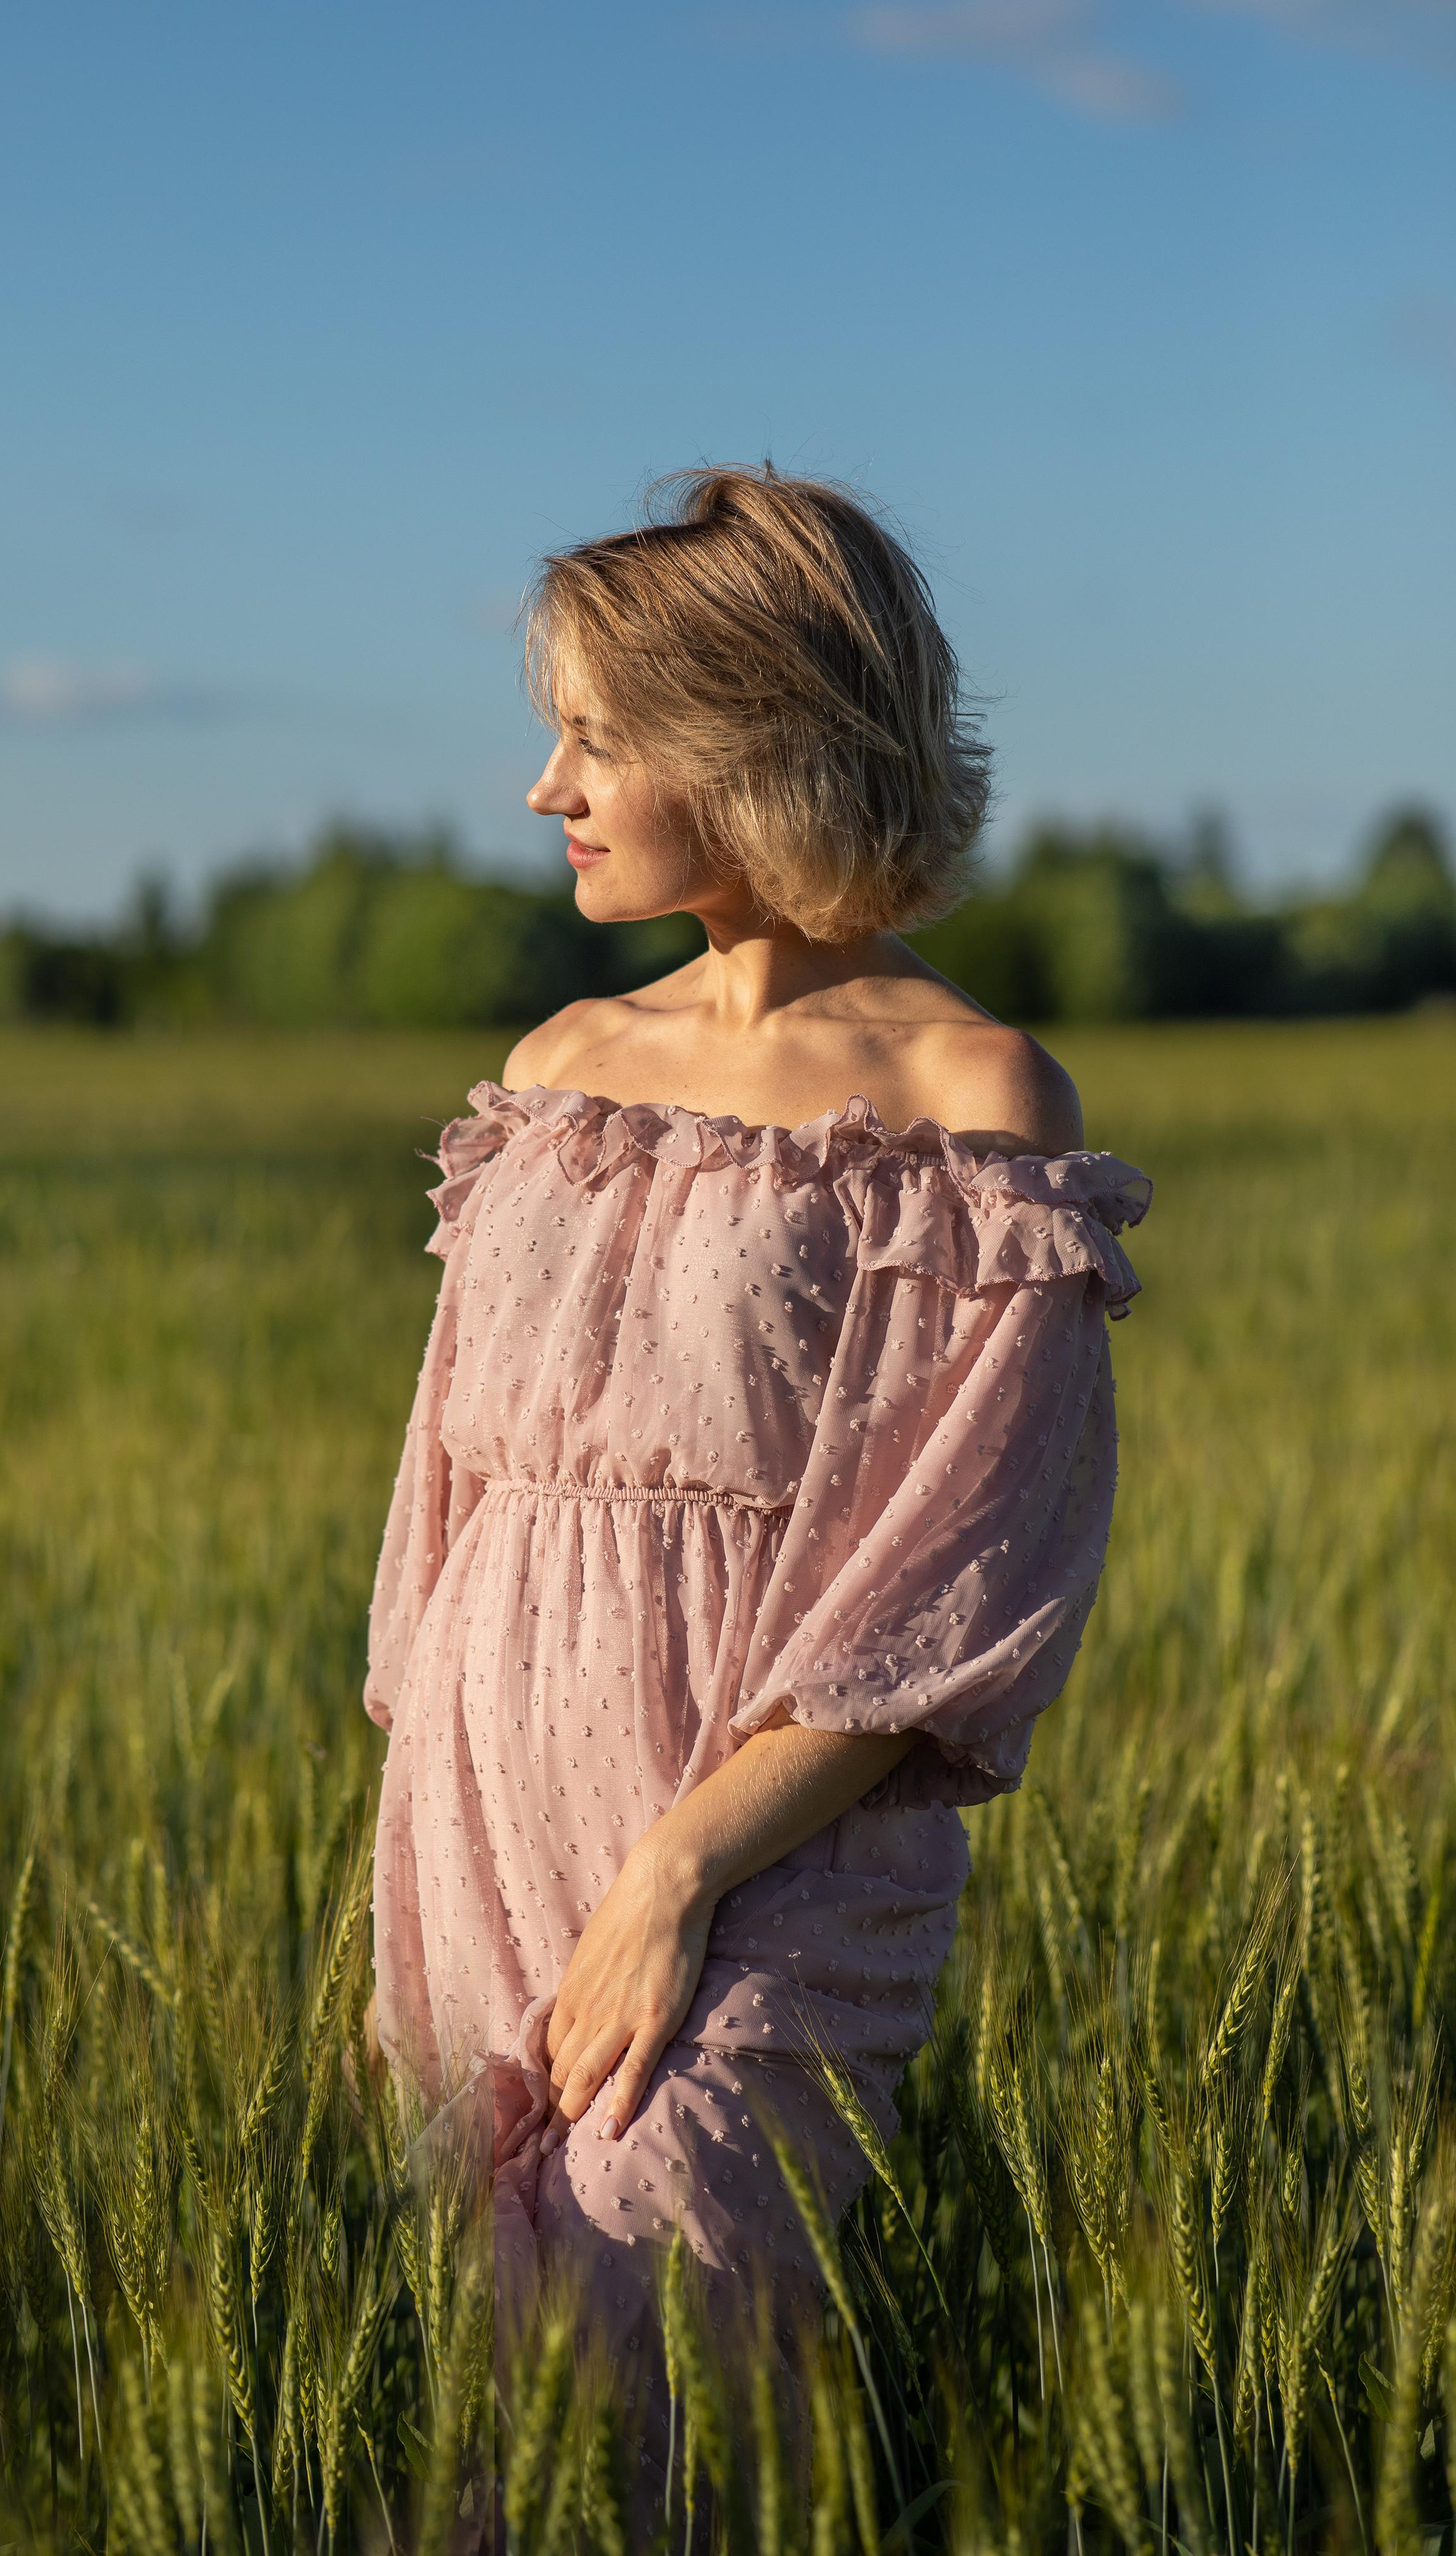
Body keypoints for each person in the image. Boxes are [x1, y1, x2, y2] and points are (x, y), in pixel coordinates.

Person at [363, 465, 1149, 2455]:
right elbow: (448, 1495)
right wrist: (432, 1766)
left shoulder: (967, 1099)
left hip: (763, 1845)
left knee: (667, 2341)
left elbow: (953, 1578)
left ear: (756, 742)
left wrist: (678, 1870)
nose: (547, 785)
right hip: (482, 1814)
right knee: (511, 2419)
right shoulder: (556, 1076)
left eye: (597, 739)